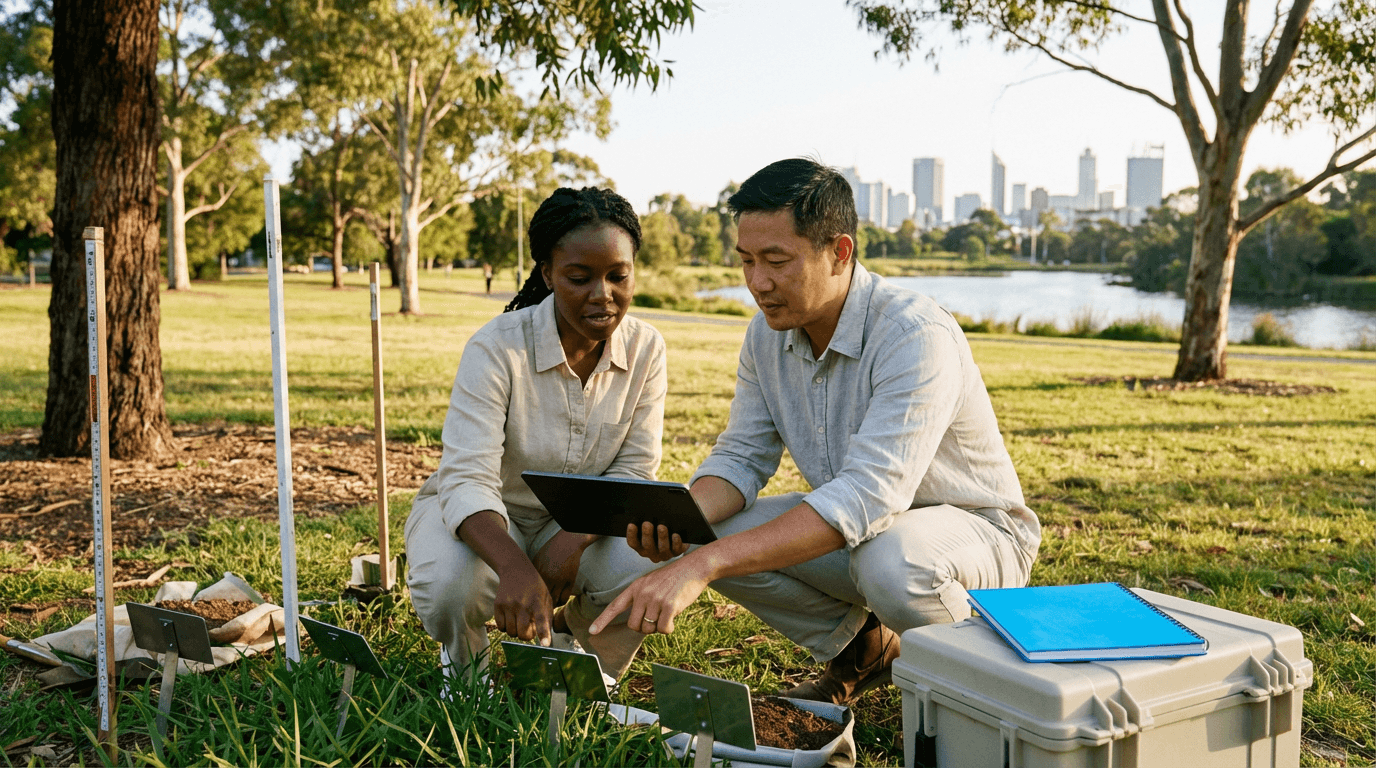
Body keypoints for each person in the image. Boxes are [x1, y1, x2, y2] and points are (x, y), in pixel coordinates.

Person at [591, 158, 1041, 704]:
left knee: (892, 560)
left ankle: (988, 693)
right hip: (870, 534)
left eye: (777, 260)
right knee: (710, 531)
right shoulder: (765, 336)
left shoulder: (915, 334)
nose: (758, 282)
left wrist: (702, 566)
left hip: (975, 538)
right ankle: (864, 650)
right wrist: (679, 523)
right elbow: (740, 459)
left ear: (840, 252)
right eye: (747, 261)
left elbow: (866, 498)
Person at [405, 186, 674, 680]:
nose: (603, 294)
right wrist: (515, 566)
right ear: (548, 273)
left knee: (651, 562)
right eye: (579, 277)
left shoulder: (647, 349)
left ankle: (581, 658)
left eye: (619, 276)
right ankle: (468, 672)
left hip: (579, 518)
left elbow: (635, 470)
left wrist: (571, 540)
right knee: (450, 585)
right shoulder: (496, 348)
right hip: (486, 515)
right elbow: (466, 478)